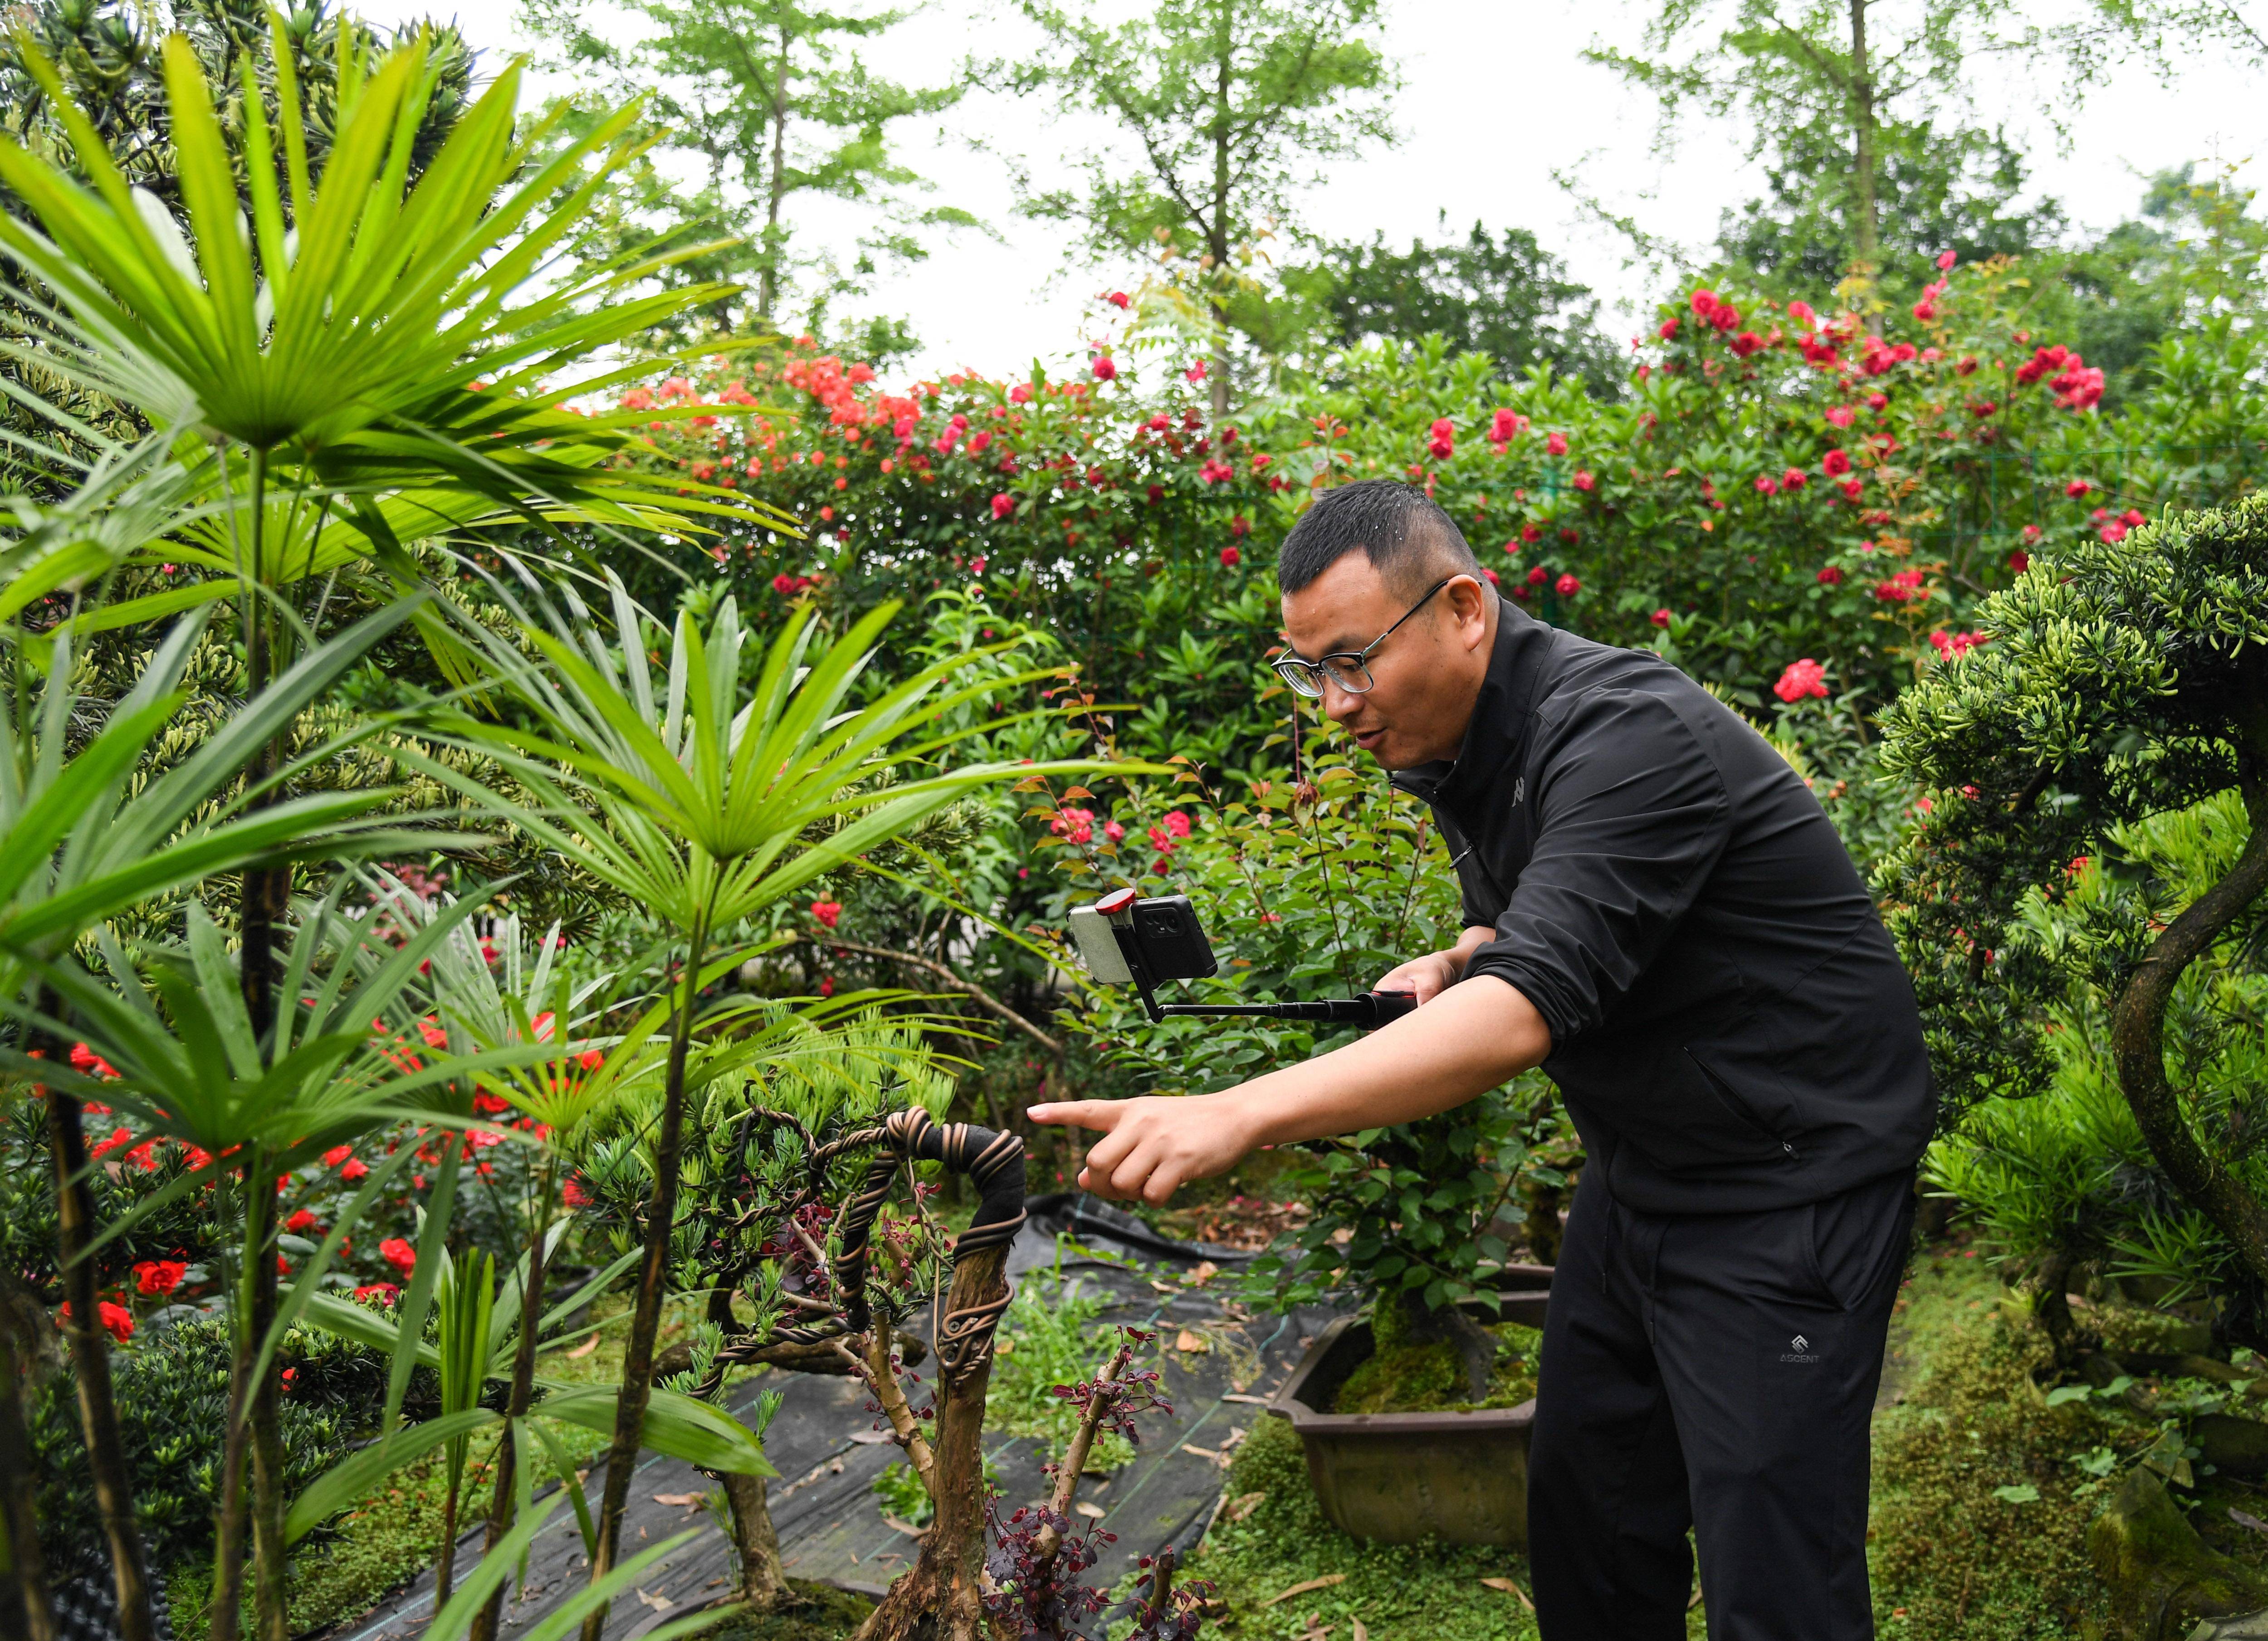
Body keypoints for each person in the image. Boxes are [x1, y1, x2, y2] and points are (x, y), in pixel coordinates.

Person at [1028, 479, 1936, 1640]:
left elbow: (1525, 1012)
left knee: (1773, 1566)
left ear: (1463, 607)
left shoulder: (1625, 732)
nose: (1336, 704)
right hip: (1644, 1170)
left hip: (1786, 1184)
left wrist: (1239, 1112)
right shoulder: (1457, 741)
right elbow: (1535, 932)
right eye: (1309, 671)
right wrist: (1463, 957)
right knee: (1591, 1513)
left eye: (1353, 660)